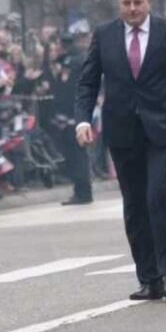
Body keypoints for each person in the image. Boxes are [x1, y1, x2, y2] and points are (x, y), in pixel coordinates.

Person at [74, 0, 166, 300]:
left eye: (137, 3)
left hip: (162, 129)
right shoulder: (104, 35)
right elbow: (88, 82)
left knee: (158, 196)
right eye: (126, 3)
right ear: (119, 5)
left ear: (149, 2)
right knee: (134, 205)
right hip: (122, 131)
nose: (132, 9)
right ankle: (149, 278)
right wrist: (82, 120)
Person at [52, 33, 93, 205]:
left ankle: (82, 192)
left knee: (76, 154)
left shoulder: (71, 61)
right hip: (76, 112)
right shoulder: (79, 58)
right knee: (78, 154)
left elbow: (65, 86)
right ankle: (82, 191)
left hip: (72, 114)